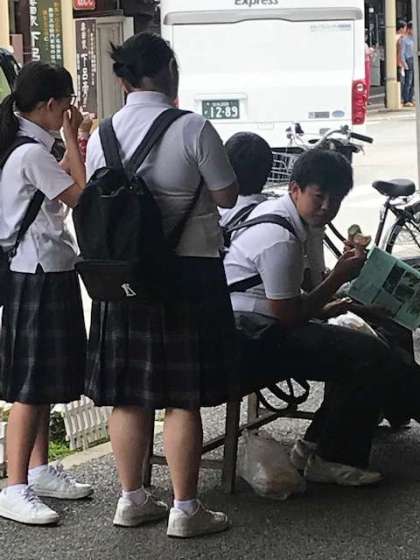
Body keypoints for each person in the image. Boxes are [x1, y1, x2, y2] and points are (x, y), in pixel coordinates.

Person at [85, 32, 239, 537]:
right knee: (181, 396)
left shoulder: (103, 135)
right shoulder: (193, 127)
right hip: (187, 274)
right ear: (170, 72)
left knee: (128, 395)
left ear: (123, 81)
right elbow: (227, 196)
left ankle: (131, 499)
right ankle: (185, 509)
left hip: (122, 278)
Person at [224, 146, 420, 486]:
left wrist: (352, 303)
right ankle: (334, 458)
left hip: (266, 325)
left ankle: (315, 444)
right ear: (295, 189)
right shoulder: (279, 237)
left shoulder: (300, 223)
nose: (327, 206)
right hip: (249, 339)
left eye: (336, 199)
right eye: (319, 196)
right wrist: (339, 278)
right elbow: (289, 316)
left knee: (380, 336)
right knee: (366, 353)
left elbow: (305, 293)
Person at [0, 62, 92, 525]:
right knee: (30, 385)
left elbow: (63, 184)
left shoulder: (27, 147)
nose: (70, 110)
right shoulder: (29, 154)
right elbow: (82, 197)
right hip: (38, 271)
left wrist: (70, 139)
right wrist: (74, 137)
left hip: (42, 269)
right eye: (68, 104)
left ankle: (37, 471)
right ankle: (14, 487)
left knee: (40, 380)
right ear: (52, 104)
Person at [401, 22, 415, 107]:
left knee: (414, 81)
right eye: (413, 29)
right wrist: (404, 63)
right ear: (409, 29)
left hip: (414, 60)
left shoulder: (415, 39)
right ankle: (406, 99)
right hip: (409, 60)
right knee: (408, 81)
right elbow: (402, 53)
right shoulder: (404, 39)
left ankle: (411, 98)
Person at [396, 20, 407, 101]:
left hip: (396, 62)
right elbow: (400, 51)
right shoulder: (400, 38)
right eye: (405, 28)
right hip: (399, 62)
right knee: (401, 81)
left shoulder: (393, 36)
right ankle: (402, 98)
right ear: (401, 29)